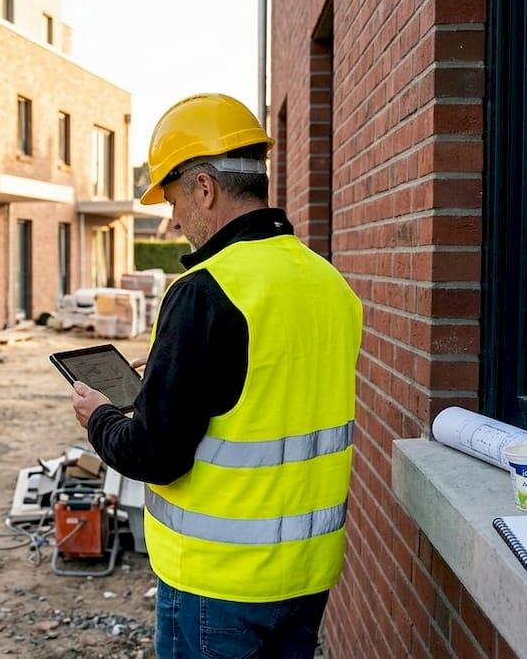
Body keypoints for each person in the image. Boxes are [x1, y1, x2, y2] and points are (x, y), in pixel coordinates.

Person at [71, 93, 363, 659]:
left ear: (204, 186)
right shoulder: (330, 284)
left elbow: (155, 454)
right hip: (308, 574)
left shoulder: (204, 293)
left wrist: (99, 417)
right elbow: (267, 388)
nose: (173, 219)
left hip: (218, 582)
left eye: (174, 199)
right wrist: (169, 375)